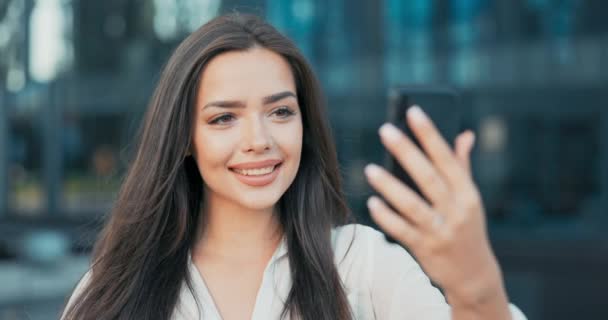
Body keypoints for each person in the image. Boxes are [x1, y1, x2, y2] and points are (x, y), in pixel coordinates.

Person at [61, 13, 527, 320]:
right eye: (224, 117)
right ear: (184, 138)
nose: (259, 141)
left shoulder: (359, 262)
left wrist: (476, 283)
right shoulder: (117, 286)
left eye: (281, 111)